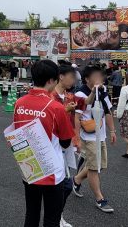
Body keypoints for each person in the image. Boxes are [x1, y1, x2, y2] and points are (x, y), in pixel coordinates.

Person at [13, 60, 74, 227]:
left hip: (29, 166)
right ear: (51, 81)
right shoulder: (56, 107)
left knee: (31, 215)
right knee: (51, 219)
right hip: (52, 171)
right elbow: (66, 141)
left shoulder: (20, 103)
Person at [73, 65, 116, 213]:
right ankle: (100, 199)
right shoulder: (80, 94)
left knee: (100, 166)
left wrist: (112, 131)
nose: (100, 79)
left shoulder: (103, 91)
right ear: (86, 79)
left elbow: (108, 111)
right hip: (89, 136)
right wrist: (76, 138)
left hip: (101, 135)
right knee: (94, 168)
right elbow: (77, 117)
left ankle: (77, 179)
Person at [50, 64, 84, 227]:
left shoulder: (70, 96)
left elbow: (85, 104)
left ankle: (57, 216)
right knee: (65, 184)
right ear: (61, 76)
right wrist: (65, 110)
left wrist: (96, 88)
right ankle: (55, 217)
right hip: (52, 145)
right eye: (71, 76)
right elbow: (49, 118)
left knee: (64, 185)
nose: (73, 80)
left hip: (66, 144)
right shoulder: (50, 96)